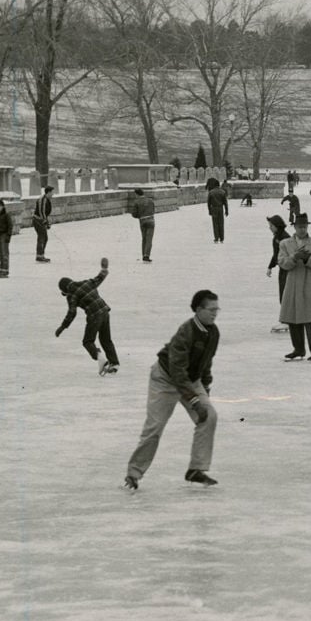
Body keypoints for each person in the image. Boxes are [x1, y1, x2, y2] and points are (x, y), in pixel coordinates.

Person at [123, 290, 221, 491]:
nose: (215, 313)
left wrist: (205, 389)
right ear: (198, 310)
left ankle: (196, 469)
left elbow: (206, 363)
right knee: (154, 427)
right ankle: (134, 473)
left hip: (190, 380)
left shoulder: (213, 332)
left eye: (216, 309)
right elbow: (177, 370)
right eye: (211, 309)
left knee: (209, 416)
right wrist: (194, 401)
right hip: (165, 378)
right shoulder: (187, 331)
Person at [56, 257, 121, 375]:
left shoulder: (71, 295)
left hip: (94, 315)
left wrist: (62, 327)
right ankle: (114, 363)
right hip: (105, 311)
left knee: (87, 341)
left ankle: (100, 358)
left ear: (65, 290)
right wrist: (104, 269)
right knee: (106, 340)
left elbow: (72, 312)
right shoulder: (86, 282)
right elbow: (99, 278)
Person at [278, 213, 311, 362]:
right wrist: (294, 257)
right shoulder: (285, 244)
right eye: (299, 227)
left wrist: (307, 258)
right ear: (294, 227)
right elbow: (282, 263)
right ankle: (298, 349)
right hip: (292, 284)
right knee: (293, 317)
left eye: (304, 227)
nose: (302, 230)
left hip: (309, 284)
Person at [265, 215, 291, 333]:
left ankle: (288, 321)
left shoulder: (285, 238)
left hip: (288, 270)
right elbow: (276, 254)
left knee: (286, 294)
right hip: (283, 269)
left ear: (277, 226)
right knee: (283, 293)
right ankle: (287, 319)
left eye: (271, 226)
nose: (270, 228)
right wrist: (271, 266)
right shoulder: (277, 237)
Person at [131, 188, 155, 263]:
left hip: (142, 221)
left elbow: (134, 214)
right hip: (151, 220)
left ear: (136, 194)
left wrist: (140, 216)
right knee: (149, 239)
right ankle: (146, 255)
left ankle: (143, 255)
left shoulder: (136, 202)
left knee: (144, 238)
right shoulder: (150, 200)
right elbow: (153, 210)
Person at [33, 185, 54, 263]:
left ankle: (41, 255)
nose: (53, 194)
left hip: (41, 220)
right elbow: (42, 211)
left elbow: (46, 213)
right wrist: (45, 221)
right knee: (42, 237)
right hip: (38, 220)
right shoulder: (43, 199)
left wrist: (47, 221)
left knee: (44, 238)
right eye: (52, 192)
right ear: (48, 192)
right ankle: (39, 256)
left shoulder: (47, 199)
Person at [206, 178, 229, 243]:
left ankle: (216, 238)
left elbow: (208, 203)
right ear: (219, 185)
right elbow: (225, 202)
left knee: (215, 224)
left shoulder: (211, 192)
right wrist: (226, 211)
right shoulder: (222, 192)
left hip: (214, 208)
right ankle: (222, 238)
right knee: (221, 223)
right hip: (220, 208)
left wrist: (209, 210)